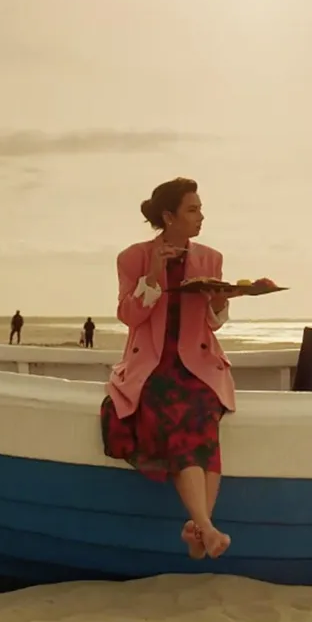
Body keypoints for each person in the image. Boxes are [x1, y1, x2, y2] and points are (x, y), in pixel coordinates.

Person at [100, 177, 238, 558]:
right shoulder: (133, 257)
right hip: (153, 363)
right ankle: (204, 529)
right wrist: (152, 276)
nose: (201, 217)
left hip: (199, 363)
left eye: (200, 209)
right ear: (169, 216)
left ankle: (201, 529)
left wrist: (220, 302)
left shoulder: (211, 258)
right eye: (192, 210)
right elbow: (129, 316)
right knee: (175, 412)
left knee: (204, 414)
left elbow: (212, 324)